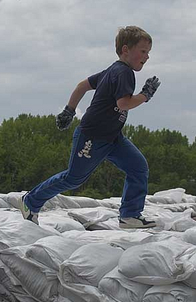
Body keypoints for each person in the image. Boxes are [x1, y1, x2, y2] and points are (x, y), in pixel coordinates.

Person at [19, 25, 161, 229]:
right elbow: (124, 103)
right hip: (92, 137)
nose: (147, 57)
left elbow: (82, 86)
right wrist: (145, 95)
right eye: (143, 51)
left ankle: (129, 215)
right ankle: (30, 201)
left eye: (148, 53)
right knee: (74, 178)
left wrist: (69, 110)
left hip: (113, 137)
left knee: (138, 167)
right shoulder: (123, 72)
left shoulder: (111, 71)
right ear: (125, 50)